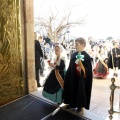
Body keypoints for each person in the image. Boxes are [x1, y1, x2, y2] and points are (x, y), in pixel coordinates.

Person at [63, 37, 93, 112]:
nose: (75, 46)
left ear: (83, 45)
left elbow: (89, 71)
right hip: (73, 77)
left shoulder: (87, 57)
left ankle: (80, 105)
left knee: (80, 92)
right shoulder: (73, 55)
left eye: (77, 44)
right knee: (72, 90)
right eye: (75, 44)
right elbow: (71, 66)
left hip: (81, 79)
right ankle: (71, 103)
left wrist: (83, 70)